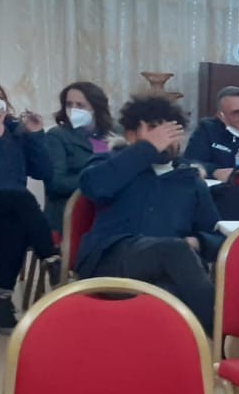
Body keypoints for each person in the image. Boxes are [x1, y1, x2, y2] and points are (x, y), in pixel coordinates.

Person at [77, 93, 222, 333]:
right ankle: (220, 338)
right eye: (154, 130)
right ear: (131, 135)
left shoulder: (190, 181)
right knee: (174, 251)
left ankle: (175, 353)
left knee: (167, 293)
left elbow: (217, 236)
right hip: (111, 260)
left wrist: (198, 242)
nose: (163, 140)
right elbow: (94, 187)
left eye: (170, 132)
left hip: (169, 268)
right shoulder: (111, 163)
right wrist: (146, 149)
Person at [42, 81, 117, 230]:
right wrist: (95, 178)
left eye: (80, 105)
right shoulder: (57, 136)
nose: (73, 110)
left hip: (109, 208)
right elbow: (55, 184)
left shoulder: (116, 133)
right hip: (71, 212)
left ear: (96, 108)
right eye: (69, 105)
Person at [0, 188, 60, 333]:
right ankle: (51, 258)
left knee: (14, 224)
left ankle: (1, 298)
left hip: (7, 209)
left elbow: (46, 176)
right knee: (21, 198)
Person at [0, 77, 50, 191]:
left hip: (16, 199)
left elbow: (41, 172)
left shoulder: (14, 129)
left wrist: (35, 135)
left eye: (1, 97)